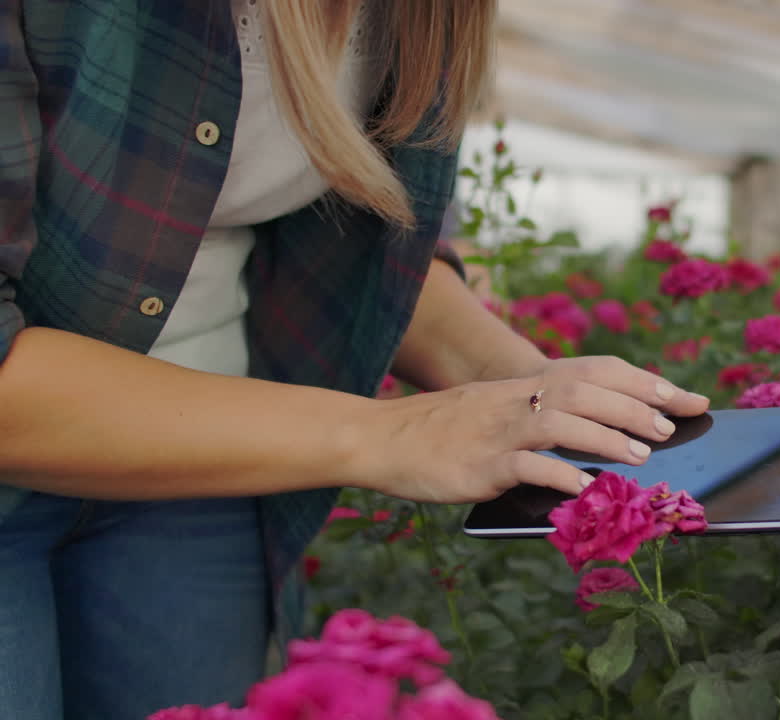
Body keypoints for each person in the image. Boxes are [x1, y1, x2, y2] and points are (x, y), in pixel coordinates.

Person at [0, 2, 708, 719]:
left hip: (204, 459)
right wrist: (390, 433)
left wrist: (521, 383)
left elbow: (363, 253)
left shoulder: (420, 16)